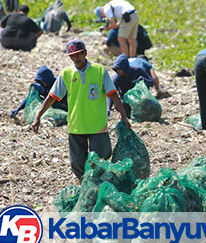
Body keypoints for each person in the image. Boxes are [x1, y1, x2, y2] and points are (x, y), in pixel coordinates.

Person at [31, 39, 131, 181]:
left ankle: (97, 184)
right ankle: (84, 185)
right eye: (72, 56)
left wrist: (124, 116)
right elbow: (52, 96)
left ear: (85, 53)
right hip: (76, 125)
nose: (75, 58)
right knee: (77, 163)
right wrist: (38, 117)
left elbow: (113, 94)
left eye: (78, 54)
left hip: (97, 124)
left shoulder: (99, 71)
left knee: (100, 159)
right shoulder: (66, 74)